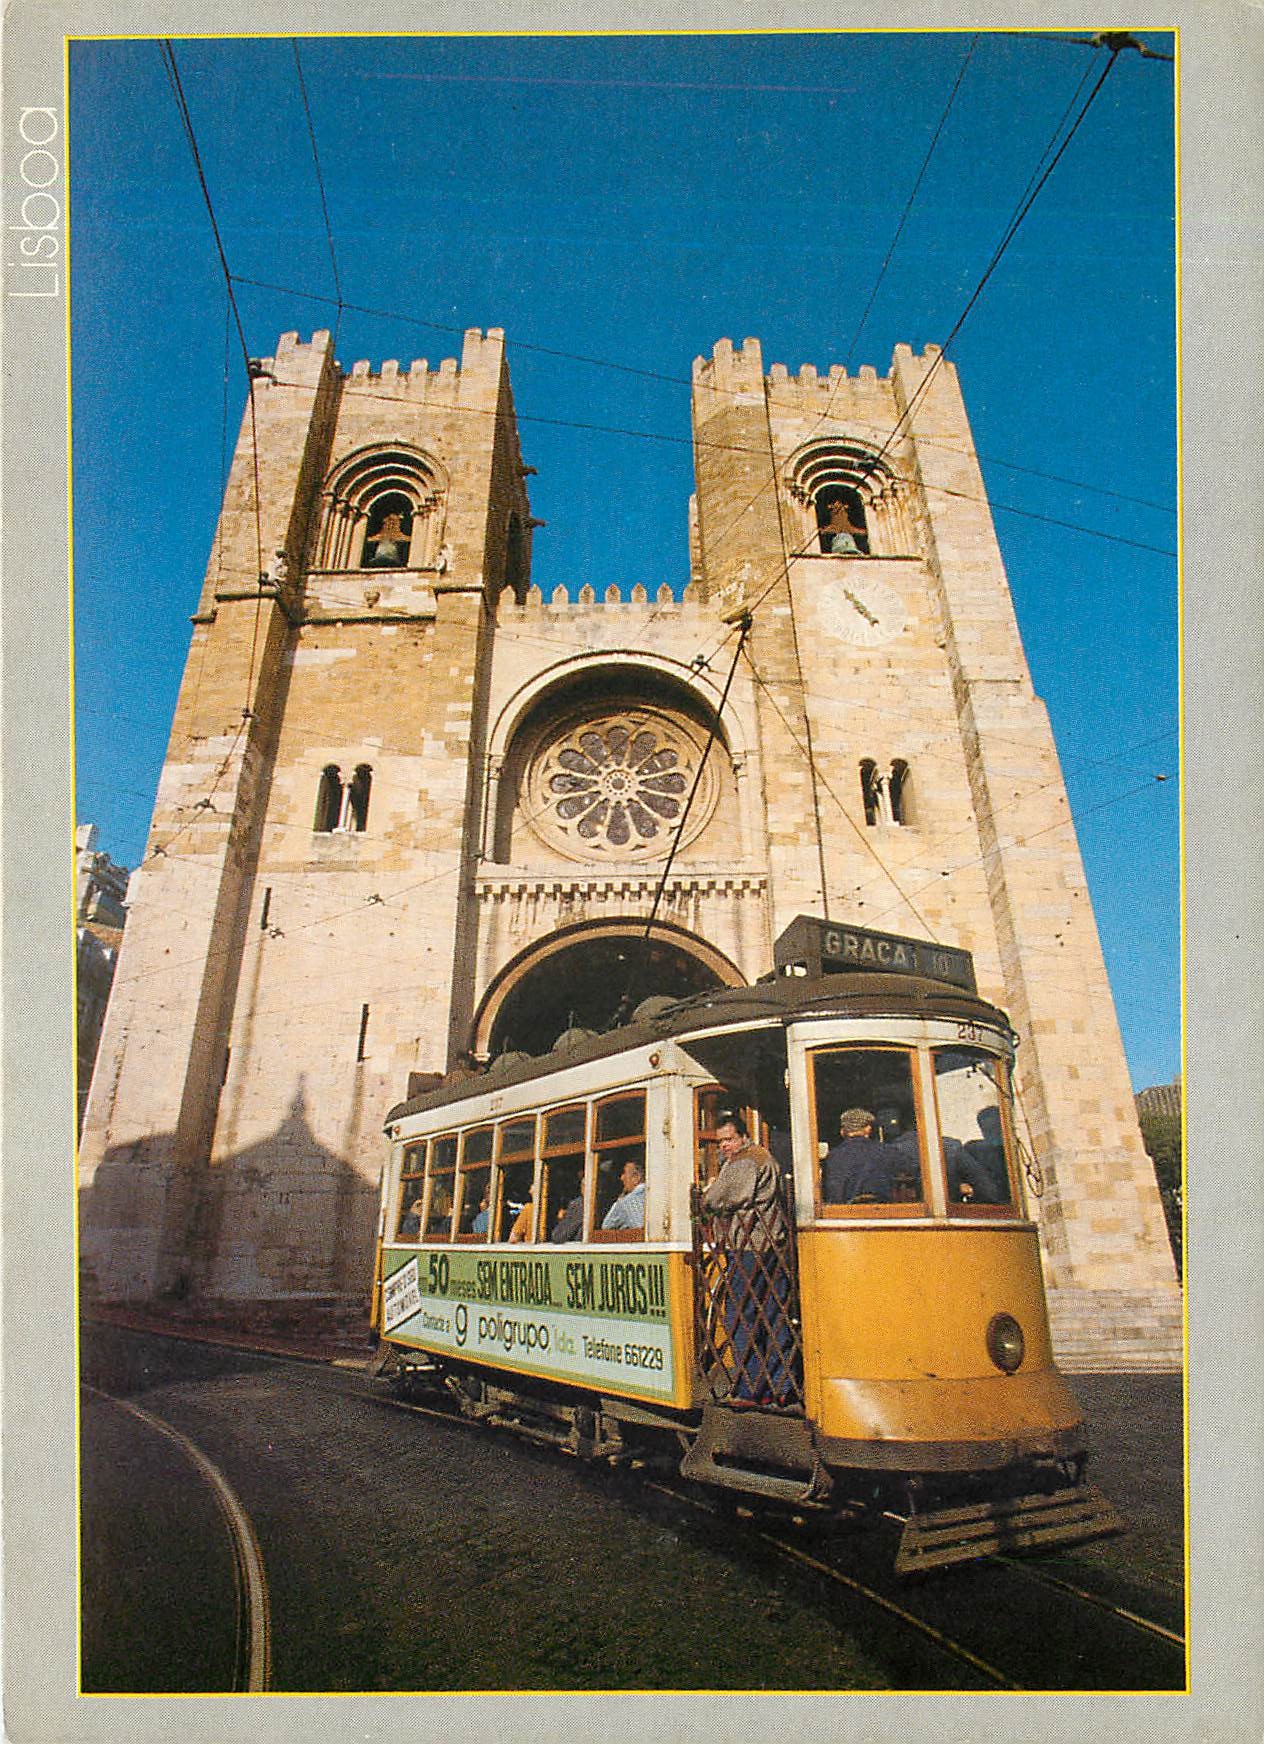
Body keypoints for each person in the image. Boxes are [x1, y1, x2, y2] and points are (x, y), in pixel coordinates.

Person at [702, 1115, 793, 1403]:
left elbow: (717, 1199)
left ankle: (749, 1389)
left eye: (729, 1139)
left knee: (741, 1315)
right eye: (720, 1141)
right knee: (774, 1315)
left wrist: (709, 1193)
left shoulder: (745, 1161)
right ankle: (781, 1386)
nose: (724, 1146)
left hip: (749, 1247)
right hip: (773, 1245)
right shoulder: (764, 1157)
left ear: (743, 1136)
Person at [821, 1107, 898, 1203]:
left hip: (842, 1211)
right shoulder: (886, 1151)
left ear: (842, 1131)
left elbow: (829, 1193)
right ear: (868, 1129)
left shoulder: (832, 1157)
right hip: (884, 1210)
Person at [601, 1159, 646, 1231]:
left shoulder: (626, 1201)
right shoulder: (655, 1195)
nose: (622, 1178)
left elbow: (606, 1227)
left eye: (624, 1173)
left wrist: (620, 1200)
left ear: (636, 1177)